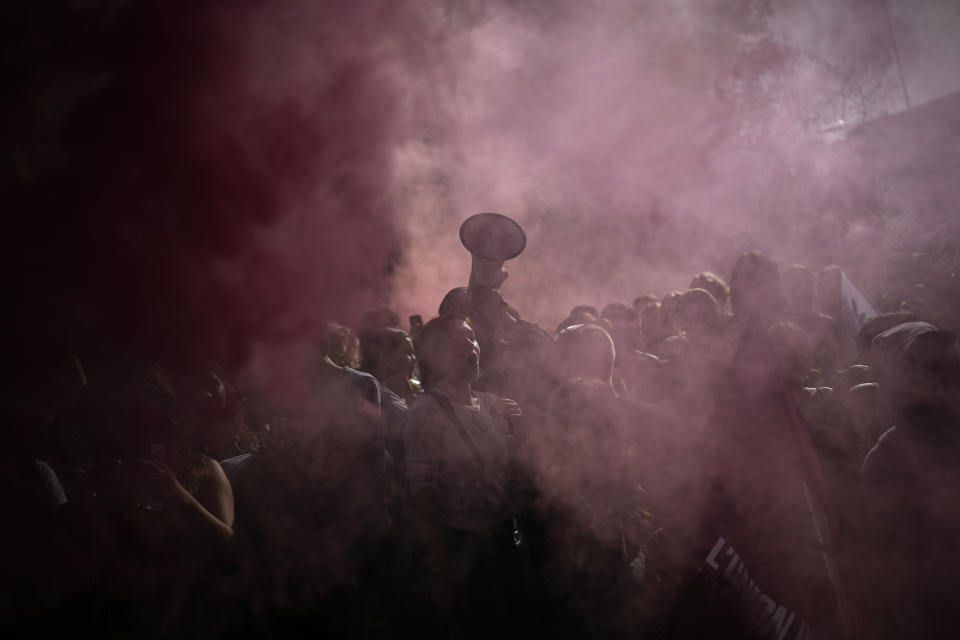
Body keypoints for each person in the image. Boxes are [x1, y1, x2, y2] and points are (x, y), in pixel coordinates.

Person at [404, 316, 522, 636]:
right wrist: (441, 571)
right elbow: (423, 493)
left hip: (504, 544)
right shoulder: (426, 411)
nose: (471, 347)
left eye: (472, 338)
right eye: (459, 341)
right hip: (464, 553)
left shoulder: (492, 404)